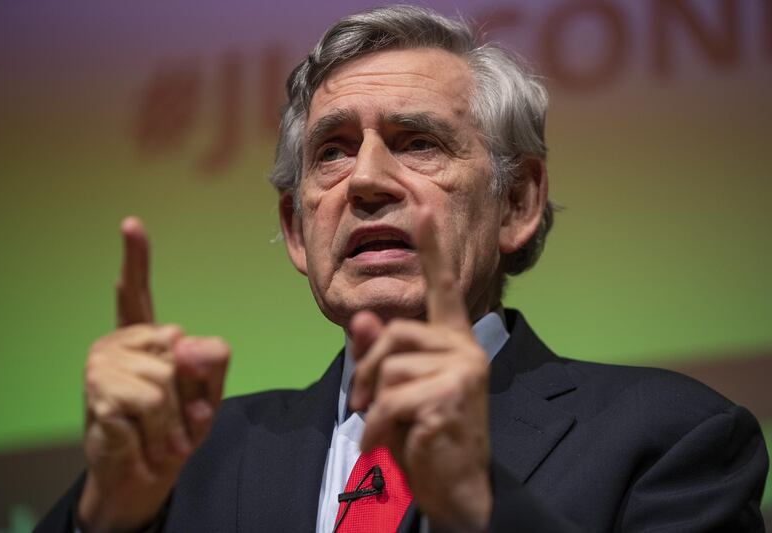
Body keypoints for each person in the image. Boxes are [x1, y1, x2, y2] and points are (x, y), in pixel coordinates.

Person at [38, 5, 767, 532]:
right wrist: (108, 516)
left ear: (516, 200)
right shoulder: (190, 458)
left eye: (417, 141)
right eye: (332, 151)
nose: (365, 180)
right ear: (297, 230)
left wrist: (475, 504)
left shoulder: (672, 437)